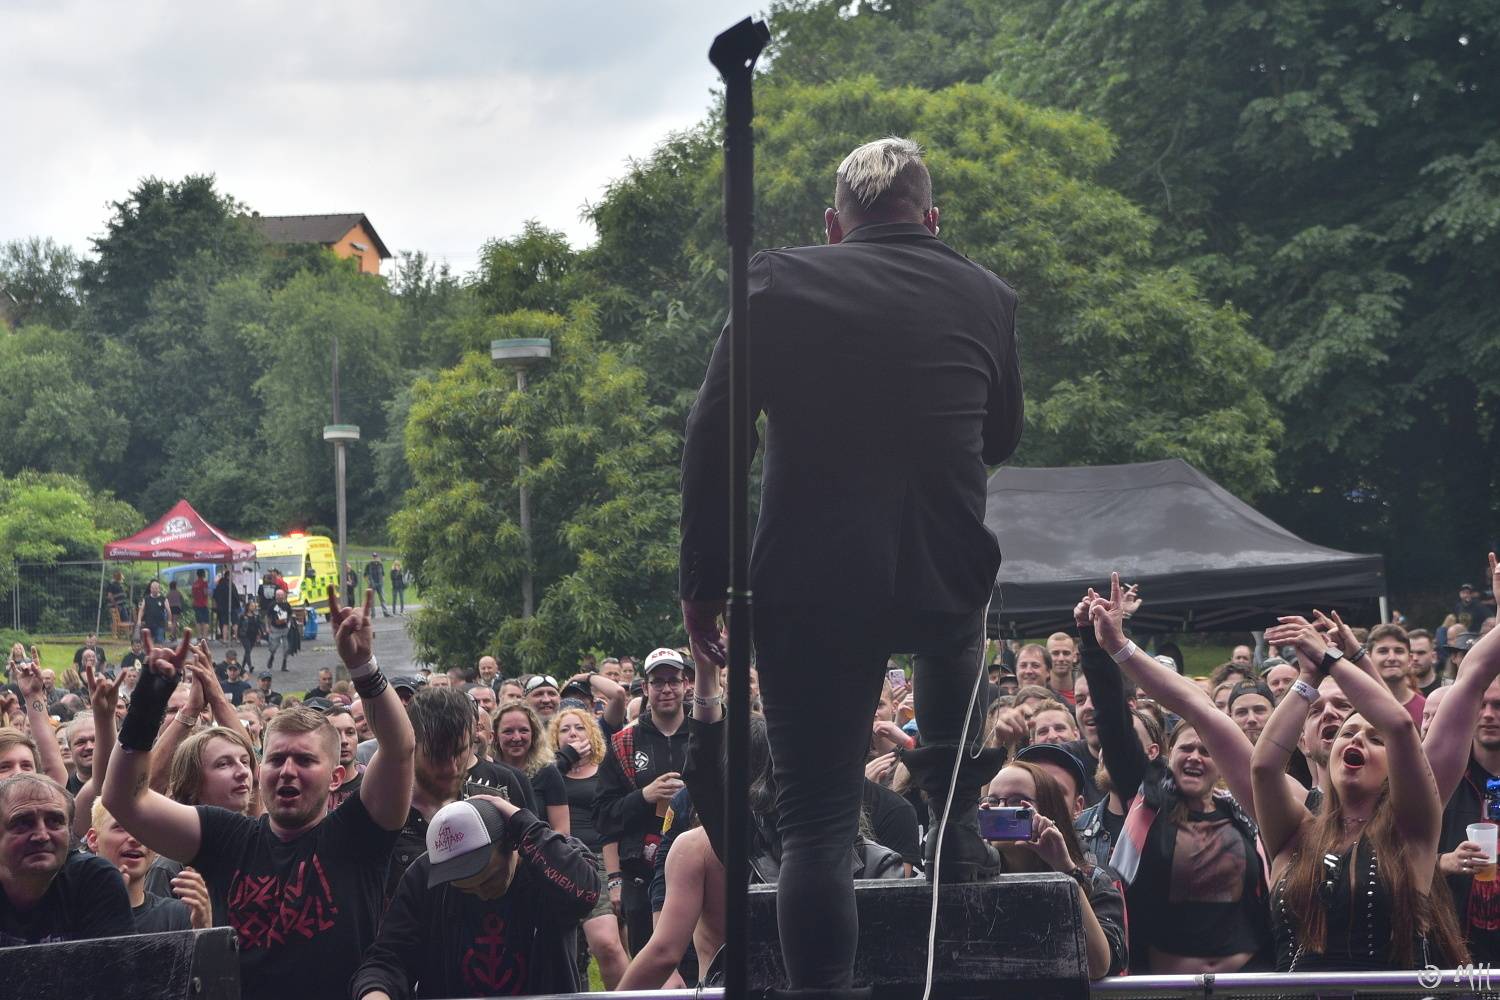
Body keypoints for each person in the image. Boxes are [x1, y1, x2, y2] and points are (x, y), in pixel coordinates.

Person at [678, 136, 1022, 992]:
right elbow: (1003, 434)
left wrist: (704, 583)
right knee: (962, 610)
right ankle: (955, 798)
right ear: (933, 219)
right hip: (943, 576)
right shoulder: (989, 295)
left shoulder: (779, 279)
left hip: (813, 584)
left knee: (817, 827)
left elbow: (711, 433)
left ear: (834, 225)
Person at [101, 592, 416, 1000]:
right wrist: (149, 698)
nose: (287, 770)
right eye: (277, 758)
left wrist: (362, 665)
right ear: (261, 769)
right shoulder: (226, 838)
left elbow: (399, 747)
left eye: (304, 760)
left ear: (336, 775)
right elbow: (124, 800)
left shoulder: (359, 833)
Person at [1254, 611, 1467, 970]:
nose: (1355, 738)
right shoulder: (1297, 830)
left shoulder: (1411, 828)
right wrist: (1308, 678)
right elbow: (1263, 767)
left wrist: (1333, 659)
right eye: (1347, 734)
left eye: (1373, 738)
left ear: (1395, 768)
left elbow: (1398, 725)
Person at [351, 795, 600, 999]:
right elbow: (390, 957)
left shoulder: (549, 860)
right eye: (466, 887)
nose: (482, 893)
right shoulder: (423, 877)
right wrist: (376, 992)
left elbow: (584, 895)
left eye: (489, 879)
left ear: (511, 843)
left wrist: (522, 821)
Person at [982, 761, 1128, 978]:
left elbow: (1098, 966)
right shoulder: (974, 876)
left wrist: (1065, 870)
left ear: (1048, 811)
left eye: (1016, 802)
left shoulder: (1094, 879)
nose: (1002, 810)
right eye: (992, 801)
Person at [389, 688, 535, 900]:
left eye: (459, 752)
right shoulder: (388, 797)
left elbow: (530, 857)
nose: (451, 767)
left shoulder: (503, 784)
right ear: (412, 742)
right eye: (437, 755)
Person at [594, 648, 693, 956]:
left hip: (696, 862)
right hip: (642, 872)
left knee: (701, 961)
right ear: (646, 688)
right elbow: (603, 817)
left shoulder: (704, 734)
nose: (666, 689)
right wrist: (644, 796)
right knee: (651, 964)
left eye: (673, 681)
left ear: (685, 684)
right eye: (658, 682)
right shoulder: (624, 742)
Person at [0, 772, 134, 945]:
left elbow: (114, 969)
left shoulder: (94, 880)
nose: (42, 836)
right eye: (23, 822)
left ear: (70, 832)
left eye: (54, 821)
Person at [550, 705, 630, 988]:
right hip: (562, 862)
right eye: (564, 729)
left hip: (600, 859)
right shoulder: (550, 773)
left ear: (592, 733)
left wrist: (616, 874)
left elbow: (617, 819)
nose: (572, 732)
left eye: (579, 727)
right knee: (570, 954)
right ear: (554, 738)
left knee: (608, 944)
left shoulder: (606, 770)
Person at [87, 798, 211, 932]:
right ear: (93, 839)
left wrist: (204, 930)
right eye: (121, 827)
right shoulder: (72, 916)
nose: (135, 839)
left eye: (145, 828)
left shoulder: (182, 915)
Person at [494, 701, 570, 832]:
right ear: (494, 736)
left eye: (523, 730)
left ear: (533, 734)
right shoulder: (488, 770)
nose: (517, 737)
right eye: (508, 731)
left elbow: (562, 830)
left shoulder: (547, 772)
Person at [264, 588, 294, 672]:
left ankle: (284, 663)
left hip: (285, 629)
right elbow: (267, 617)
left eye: (281, 595)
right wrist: (267, 627)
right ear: (276, 596)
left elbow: (290, 615)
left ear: (284, 596)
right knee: (273, 646)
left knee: (286, 647)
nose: (280, 597)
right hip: (275, 628)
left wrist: (289, 624)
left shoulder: (287, 605)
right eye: (278, 595)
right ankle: (272, 656)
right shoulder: (272, 605)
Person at [213, 568, 239, 643]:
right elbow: (236, 596)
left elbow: (215, 596)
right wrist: (237, 605)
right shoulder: (232, 585)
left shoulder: (220, 585)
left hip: (222, 608)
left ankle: (224, 639)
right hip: (232, 607)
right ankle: (236, 638)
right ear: (229, 576)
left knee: (225, 623)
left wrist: (217, 606)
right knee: (235, 623)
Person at [237, 600, 264, 670]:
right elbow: (239, 626)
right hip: (244, 635)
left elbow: (259, 625)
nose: (253, 607)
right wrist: (237, 635)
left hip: (253, 635)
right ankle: (250, 666)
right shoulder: (243, 616)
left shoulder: (256, 616)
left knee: (247, 652)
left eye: (254, 606)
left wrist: (261, 632)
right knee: (248, 650)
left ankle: (242, 667)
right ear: (248, 607)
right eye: (252, 606)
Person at [191, 569, 212, 634]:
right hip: (203, 604)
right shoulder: (204, 583)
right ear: (203, 574)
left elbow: (192, 594)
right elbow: (205, 592)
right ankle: (204, 636)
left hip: (196, 604)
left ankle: (199, 636)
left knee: (198, 621)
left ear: (197, 575)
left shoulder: (194, 584)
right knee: (206, 621)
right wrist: (210, 592)